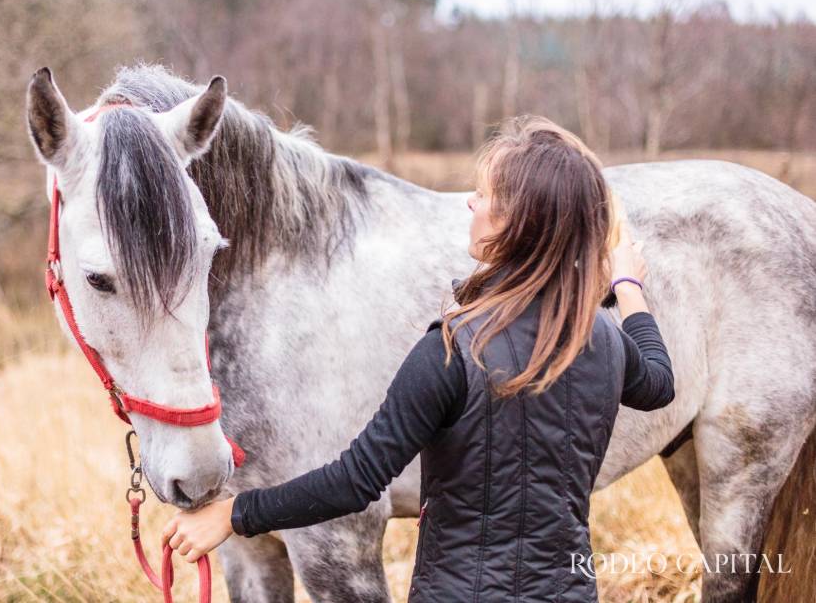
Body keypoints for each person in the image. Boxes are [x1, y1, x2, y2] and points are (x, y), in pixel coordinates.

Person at [161, 115, 674, 602]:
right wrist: (627, 287)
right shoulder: (604, 341)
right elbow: (658, 384)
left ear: (519, 224)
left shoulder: (452, 350)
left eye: (486, 196)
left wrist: (233, 514)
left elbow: (355, 479)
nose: (470, 204)